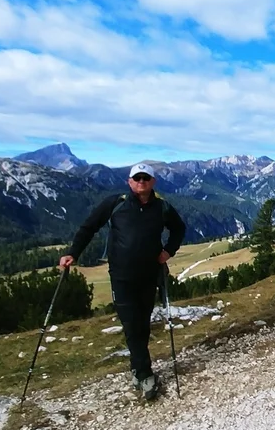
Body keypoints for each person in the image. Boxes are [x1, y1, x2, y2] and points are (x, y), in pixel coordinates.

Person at [59, 163, 186, 400]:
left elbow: (179, 229)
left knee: (143, 324)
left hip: (150, 276)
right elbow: (89, 227)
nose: (141, 181)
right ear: (129, 182)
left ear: (153, 182)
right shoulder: (115, 203)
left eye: (145, 178)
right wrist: (73, 253)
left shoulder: (162, 208)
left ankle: (138, 367)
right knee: (131, 325)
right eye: (136, 178)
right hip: (121, 277)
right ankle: (144, 374)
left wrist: (168, 251)